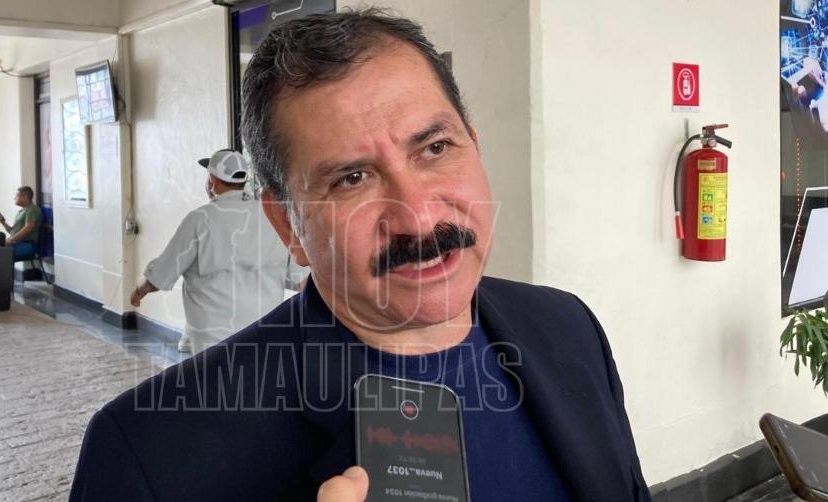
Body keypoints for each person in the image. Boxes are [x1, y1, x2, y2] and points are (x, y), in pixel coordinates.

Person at [69, 9, 650, 502]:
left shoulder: (568, 327)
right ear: (287, 224)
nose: (418, 218)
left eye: (435, 148)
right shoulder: (148, 453)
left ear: (474, 144)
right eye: (351, 179)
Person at [129, 149, 297, 353]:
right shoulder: (272, 217)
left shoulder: (200, 220)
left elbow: (162, 273)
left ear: (212, 180)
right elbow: (302, 275)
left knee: (215, 374)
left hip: (213, 342)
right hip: (264, 335)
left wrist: (139, 291)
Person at [0, 186, 41, 261]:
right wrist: (3, 222)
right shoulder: (22, 211)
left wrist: (11, 240)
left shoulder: (32, 209)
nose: (15, 198)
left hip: (26, 245)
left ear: (25, 197)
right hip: (16, 242)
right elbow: (12, 232)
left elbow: (28, 227)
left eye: (17, 196)